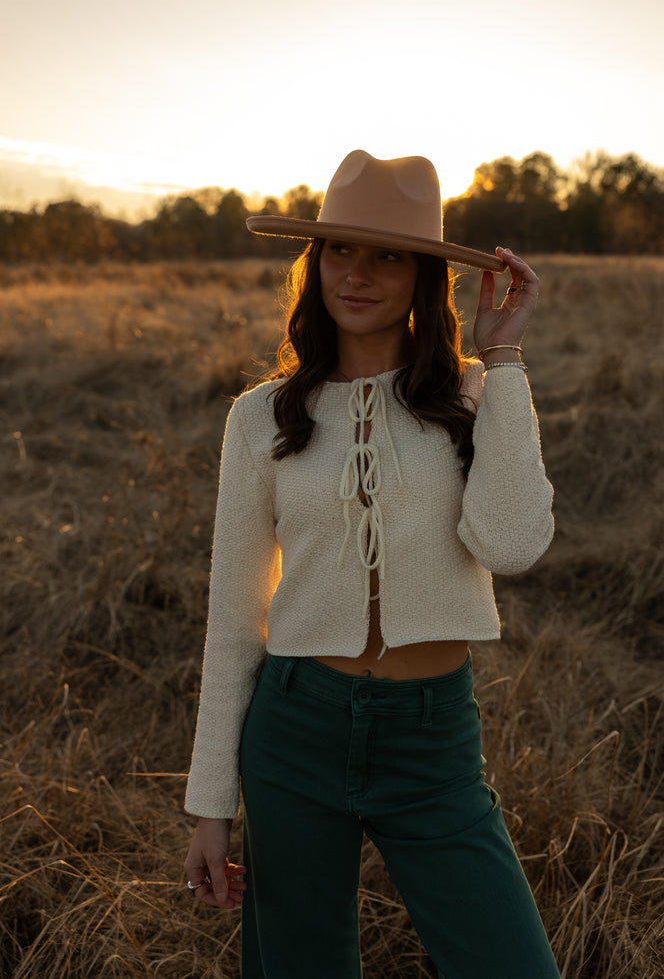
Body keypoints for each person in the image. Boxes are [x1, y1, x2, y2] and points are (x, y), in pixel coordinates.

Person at [183, 149, 561, 979]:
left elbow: (513, 544)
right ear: (314, 263)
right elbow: (233, 618)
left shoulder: (471, 396)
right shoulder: (259, 418)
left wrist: (503, 364)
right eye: (341, 251)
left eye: (388, 254)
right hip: (293, 734)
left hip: (432, 741)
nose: (358, 274)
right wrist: (210, 806)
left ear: (425, 275)